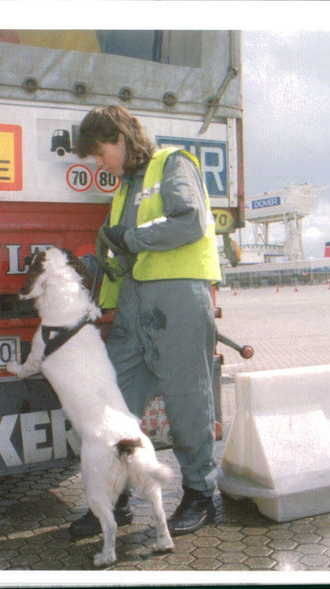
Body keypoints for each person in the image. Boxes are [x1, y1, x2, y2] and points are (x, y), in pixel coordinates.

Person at [69, 105, 221, 538]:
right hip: (135, 307)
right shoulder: (123, 189)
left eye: (100, 153)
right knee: (109, 406)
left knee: (187, 399)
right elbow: (122, 254)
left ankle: (199, 495)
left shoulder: (171, 164)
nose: (100, 164)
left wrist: (133, 238)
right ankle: (115, 501)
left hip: (178, 298)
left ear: (120, 138)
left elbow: (189, 221)